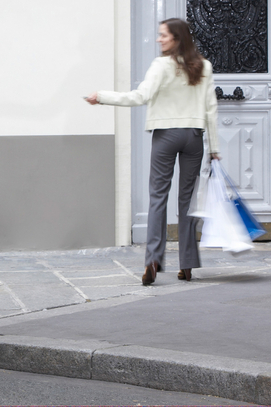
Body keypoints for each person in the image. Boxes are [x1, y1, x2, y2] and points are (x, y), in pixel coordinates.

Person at [85, 18, 219, 285]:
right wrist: (214, 148)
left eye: (164, 36)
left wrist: (101, 97)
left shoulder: (162, 66)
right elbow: (211, 109)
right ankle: (188, 264)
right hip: (193, 137)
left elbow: (139, 97)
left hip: (166, 135)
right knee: (186, 201)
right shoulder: (203, 66)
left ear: (177, 39)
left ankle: (153, 260)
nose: (159, 39)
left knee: (158, 197)